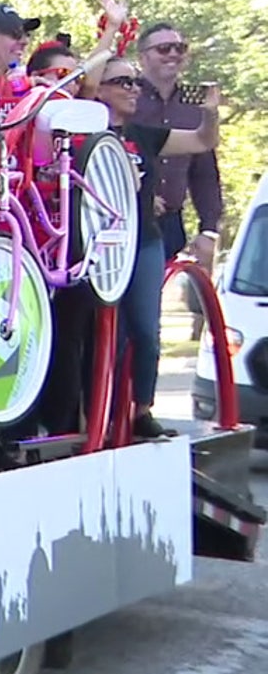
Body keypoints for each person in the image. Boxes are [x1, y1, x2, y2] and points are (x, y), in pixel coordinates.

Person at [95, 57, 220, 437]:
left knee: (146, 329)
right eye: (122, 82)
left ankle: (141, 410)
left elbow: (202, 140)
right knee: (105, 334)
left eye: (135, 83)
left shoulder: (144, 133)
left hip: (144, 239)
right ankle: (99, 415)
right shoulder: (84, 131)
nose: (133, 89)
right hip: (100, 243)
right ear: (98, 89)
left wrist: (210, 113)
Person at [132, 22, 224, 285]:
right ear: (143, 57)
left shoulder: (195, 106)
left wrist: (208, 229)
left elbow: (205, 174)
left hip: (170, 223)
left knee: (153, 304)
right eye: (163, 49)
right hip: (129, 216)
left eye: (180, 48)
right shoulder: (126, 96)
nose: (173, 54)